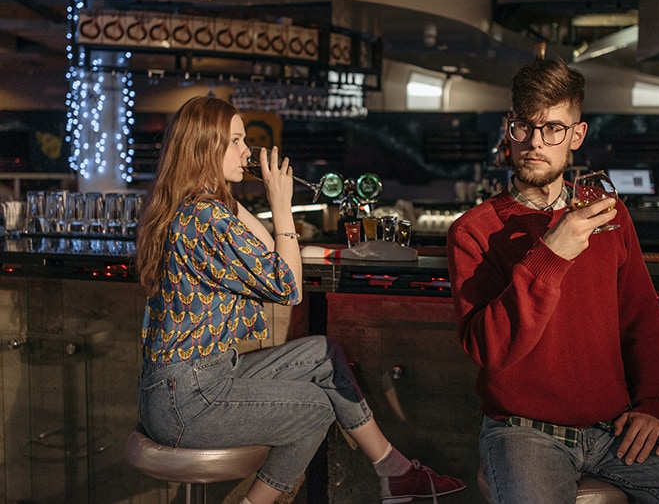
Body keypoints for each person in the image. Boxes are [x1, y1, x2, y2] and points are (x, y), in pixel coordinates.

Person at [446, 60, 659, 504]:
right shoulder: (473, 230)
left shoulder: (608, 213)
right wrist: (550, 255)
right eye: (524, 126)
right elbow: (489, 349)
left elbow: (640, 316)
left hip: (614, 430)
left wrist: (653, 405)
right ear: (509, 129)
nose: (536, 142)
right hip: (522, 432)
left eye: (553, 128)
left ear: (577, 136)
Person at [135, 95, 466, 504]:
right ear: (206, 147)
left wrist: (245, 196)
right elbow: (288, 288)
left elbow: (262, 247)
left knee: (321, 354)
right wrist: (280, 203)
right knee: (317, 407)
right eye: (236, 141)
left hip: (185, 385)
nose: (247, 151)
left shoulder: (198, 208)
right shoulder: (207, 221)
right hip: (187, 400)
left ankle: (393, 470)